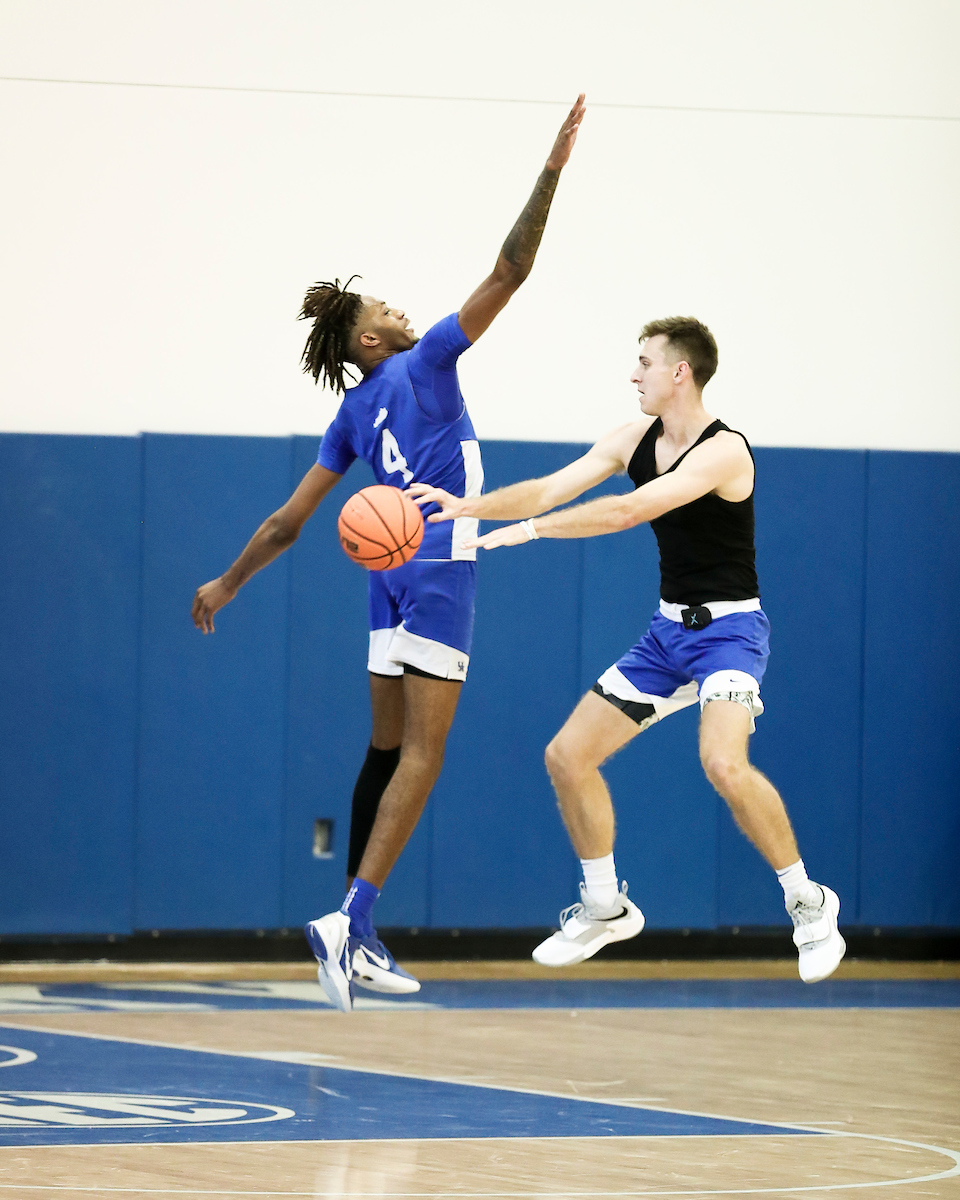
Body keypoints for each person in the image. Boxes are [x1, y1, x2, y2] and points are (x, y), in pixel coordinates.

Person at [191, 95, 587, 1010]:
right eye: (385, 309)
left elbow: (289, 521)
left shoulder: (351, 411)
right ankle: (351, 918)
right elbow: (511, 267)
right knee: (425, 757)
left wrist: (229, 580)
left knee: (384, 746)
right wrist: (553, 169)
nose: (403, 311)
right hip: (441, 563)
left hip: (383, 577)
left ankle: (353, 929)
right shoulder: (429, 363)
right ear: (372, 340)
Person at [409, 316, 846, 984]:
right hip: (667, 637)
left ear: (681, 372)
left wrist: (527, 534)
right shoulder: (631, 437)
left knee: (723, 765)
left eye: (644, 361)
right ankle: (605, 906)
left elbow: (625, 512)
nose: (632, 373)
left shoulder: (724, 451)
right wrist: (468, 508)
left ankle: (808, 903)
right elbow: (553, 487)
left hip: (728, 633)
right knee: (567, 756)